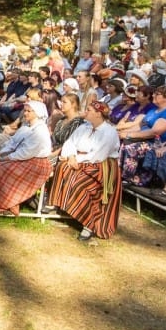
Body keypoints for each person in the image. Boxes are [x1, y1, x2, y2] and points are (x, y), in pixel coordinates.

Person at [48, 100, 122, 241]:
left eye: (89, 110)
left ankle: (89, 224)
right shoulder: (84, 126)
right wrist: (70, 156)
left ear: (98, 114)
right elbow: (70, 142)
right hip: (77, 159)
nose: (85, 112)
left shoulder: (109, 131)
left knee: (80, 183)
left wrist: (77, 160)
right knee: (62, 168)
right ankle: (59, 205)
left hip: (100, 165)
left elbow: (99, 155)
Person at [0, 102, 54, 216]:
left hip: (35, 163)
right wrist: (2, 153)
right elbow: (12, 143)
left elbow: (27, 152)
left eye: (28, 111)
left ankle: (1, 202)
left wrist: (8, 158)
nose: (25, 113)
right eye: (25, 110)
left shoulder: (40, 131)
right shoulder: (26, 127)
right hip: (21, 157)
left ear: (37, 114)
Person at [118, 86, 166, 186]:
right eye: (154, 93)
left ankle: (129, 177)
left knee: (131, 148)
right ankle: (117, 172)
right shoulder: (153, 110)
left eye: (157, 94)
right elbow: (140, 126)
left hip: (157, 143)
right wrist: (122, 133)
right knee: (119, 140)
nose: (153, 95)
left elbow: (155, 132)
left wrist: (129, 135)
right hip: (143, 139)